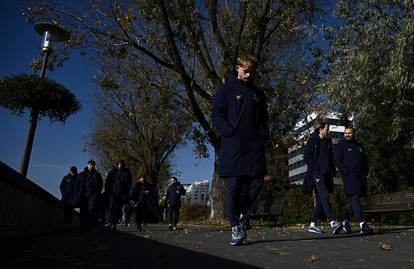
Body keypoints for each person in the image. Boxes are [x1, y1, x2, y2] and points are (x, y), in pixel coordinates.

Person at [211, 55, 269, 246]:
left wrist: (263, 137)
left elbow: (264, 119)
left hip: (254, 147)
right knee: (234, 187)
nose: (249, 75)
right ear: (237, 68)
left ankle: (243, 211)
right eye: (246, 71)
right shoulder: (225, 90)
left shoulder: (258, 93)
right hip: (233, 146)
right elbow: (217, 114)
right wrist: (230, 132)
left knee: (258, 181)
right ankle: (235, 226)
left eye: (252, 72)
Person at [303, 121, 343, 235]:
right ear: (320, 129)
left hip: (327, 174)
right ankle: (333, 222)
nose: (328, 131)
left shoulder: (328, 141)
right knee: (324, 195)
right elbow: (307, 157)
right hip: (317, 174)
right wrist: (317, 167)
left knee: (321, 199)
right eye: (327, 129)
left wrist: (333, 171)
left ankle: (312, 224)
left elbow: (331, 157)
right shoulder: (313, 140)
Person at [334, 127, 373, 235]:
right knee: (354, 197)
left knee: (354, 200)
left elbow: (365, 160)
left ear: (353, 133)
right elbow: (337, 160)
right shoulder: (340, 145)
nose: (347, 135)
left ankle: (344, 222)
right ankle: (362, 224)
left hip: (360, 176)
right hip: (349, 176)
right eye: (345, 133)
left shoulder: (359, 145)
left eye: (349, 133)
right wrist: (345, 171)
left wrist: (366, 171)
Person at [104, 160, 132, 230]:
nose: (120, 165)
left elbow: (129, 185)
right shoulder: (113, 172)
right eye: (119, 164)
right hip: (112, 193)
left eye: (122, 164)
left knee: (118, 209)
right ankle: (109, 222)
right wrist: (107, 191)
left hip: (122, 195)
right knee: (111, 208)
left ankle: (114, 224)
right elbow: (108, 182)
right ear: (117, 165)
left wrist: (126, 194)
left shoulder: (127, 173)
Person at [77, 160, 103, 228]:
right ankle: (82, 225)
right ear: (87, 165)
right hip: (83, 195)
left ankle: (88, 224)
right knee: (83, 209)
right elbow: (77, 184)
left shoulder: (97, 174)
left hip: (93, 195)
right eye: (90, 165)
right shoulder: (82, 174)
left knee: (91, 209)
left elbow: (101, 184)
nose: (92, 166)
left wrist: (98, 192)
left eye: (93, 165)